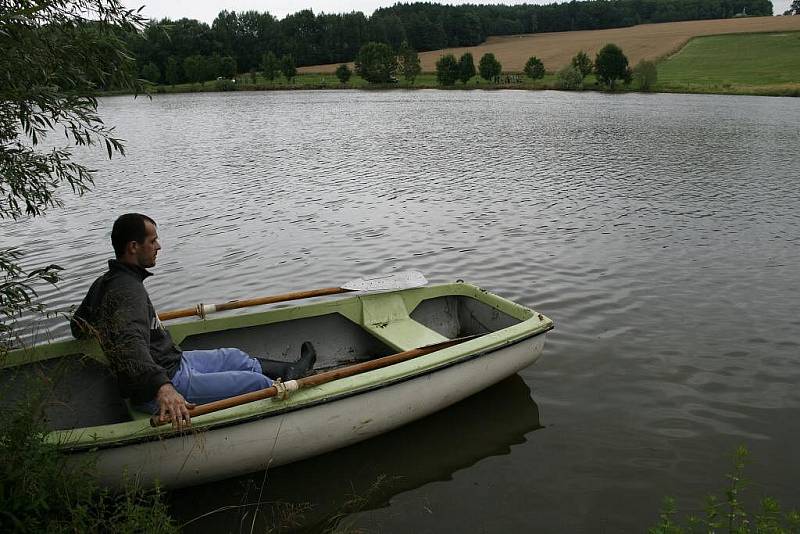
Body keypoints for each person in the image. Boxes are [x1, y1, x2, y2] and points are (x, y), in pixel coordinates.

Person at [70, 213, 316, 429]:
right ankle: (300, 394)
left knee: (234, 357)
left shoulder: (105, 282)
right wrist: (163, 389)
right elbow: (130, 342)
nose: (159, 246)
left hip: (174, 361)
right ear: (133, 247)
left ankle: (289, 371)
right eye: (153, 240)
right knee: (256, 383)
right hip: (165, 383)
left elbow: (78, 328)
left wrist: (107, 327)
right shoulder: (128, 290)